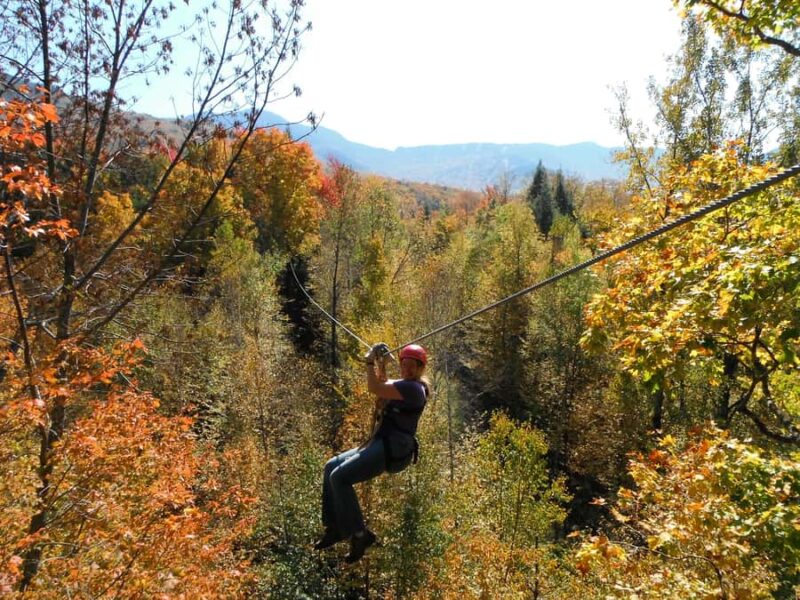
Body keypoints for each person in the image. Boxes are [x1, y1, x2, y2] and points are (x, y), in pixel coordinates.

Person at [314, 343, 430, 563]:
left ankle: (360, 535)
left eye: (412, 366)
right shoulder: (404, 386)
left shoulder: (414, 389)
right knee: (331, 466)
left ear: (420, 368)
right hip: (382, 442)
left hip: (391, 447)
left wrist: (369, 362)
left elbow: (375, 388)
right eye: (404, 364)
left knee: (339, 477)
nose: (407, 369)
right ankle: (335, 527)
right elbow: (384, 387)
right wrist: (383, 365)